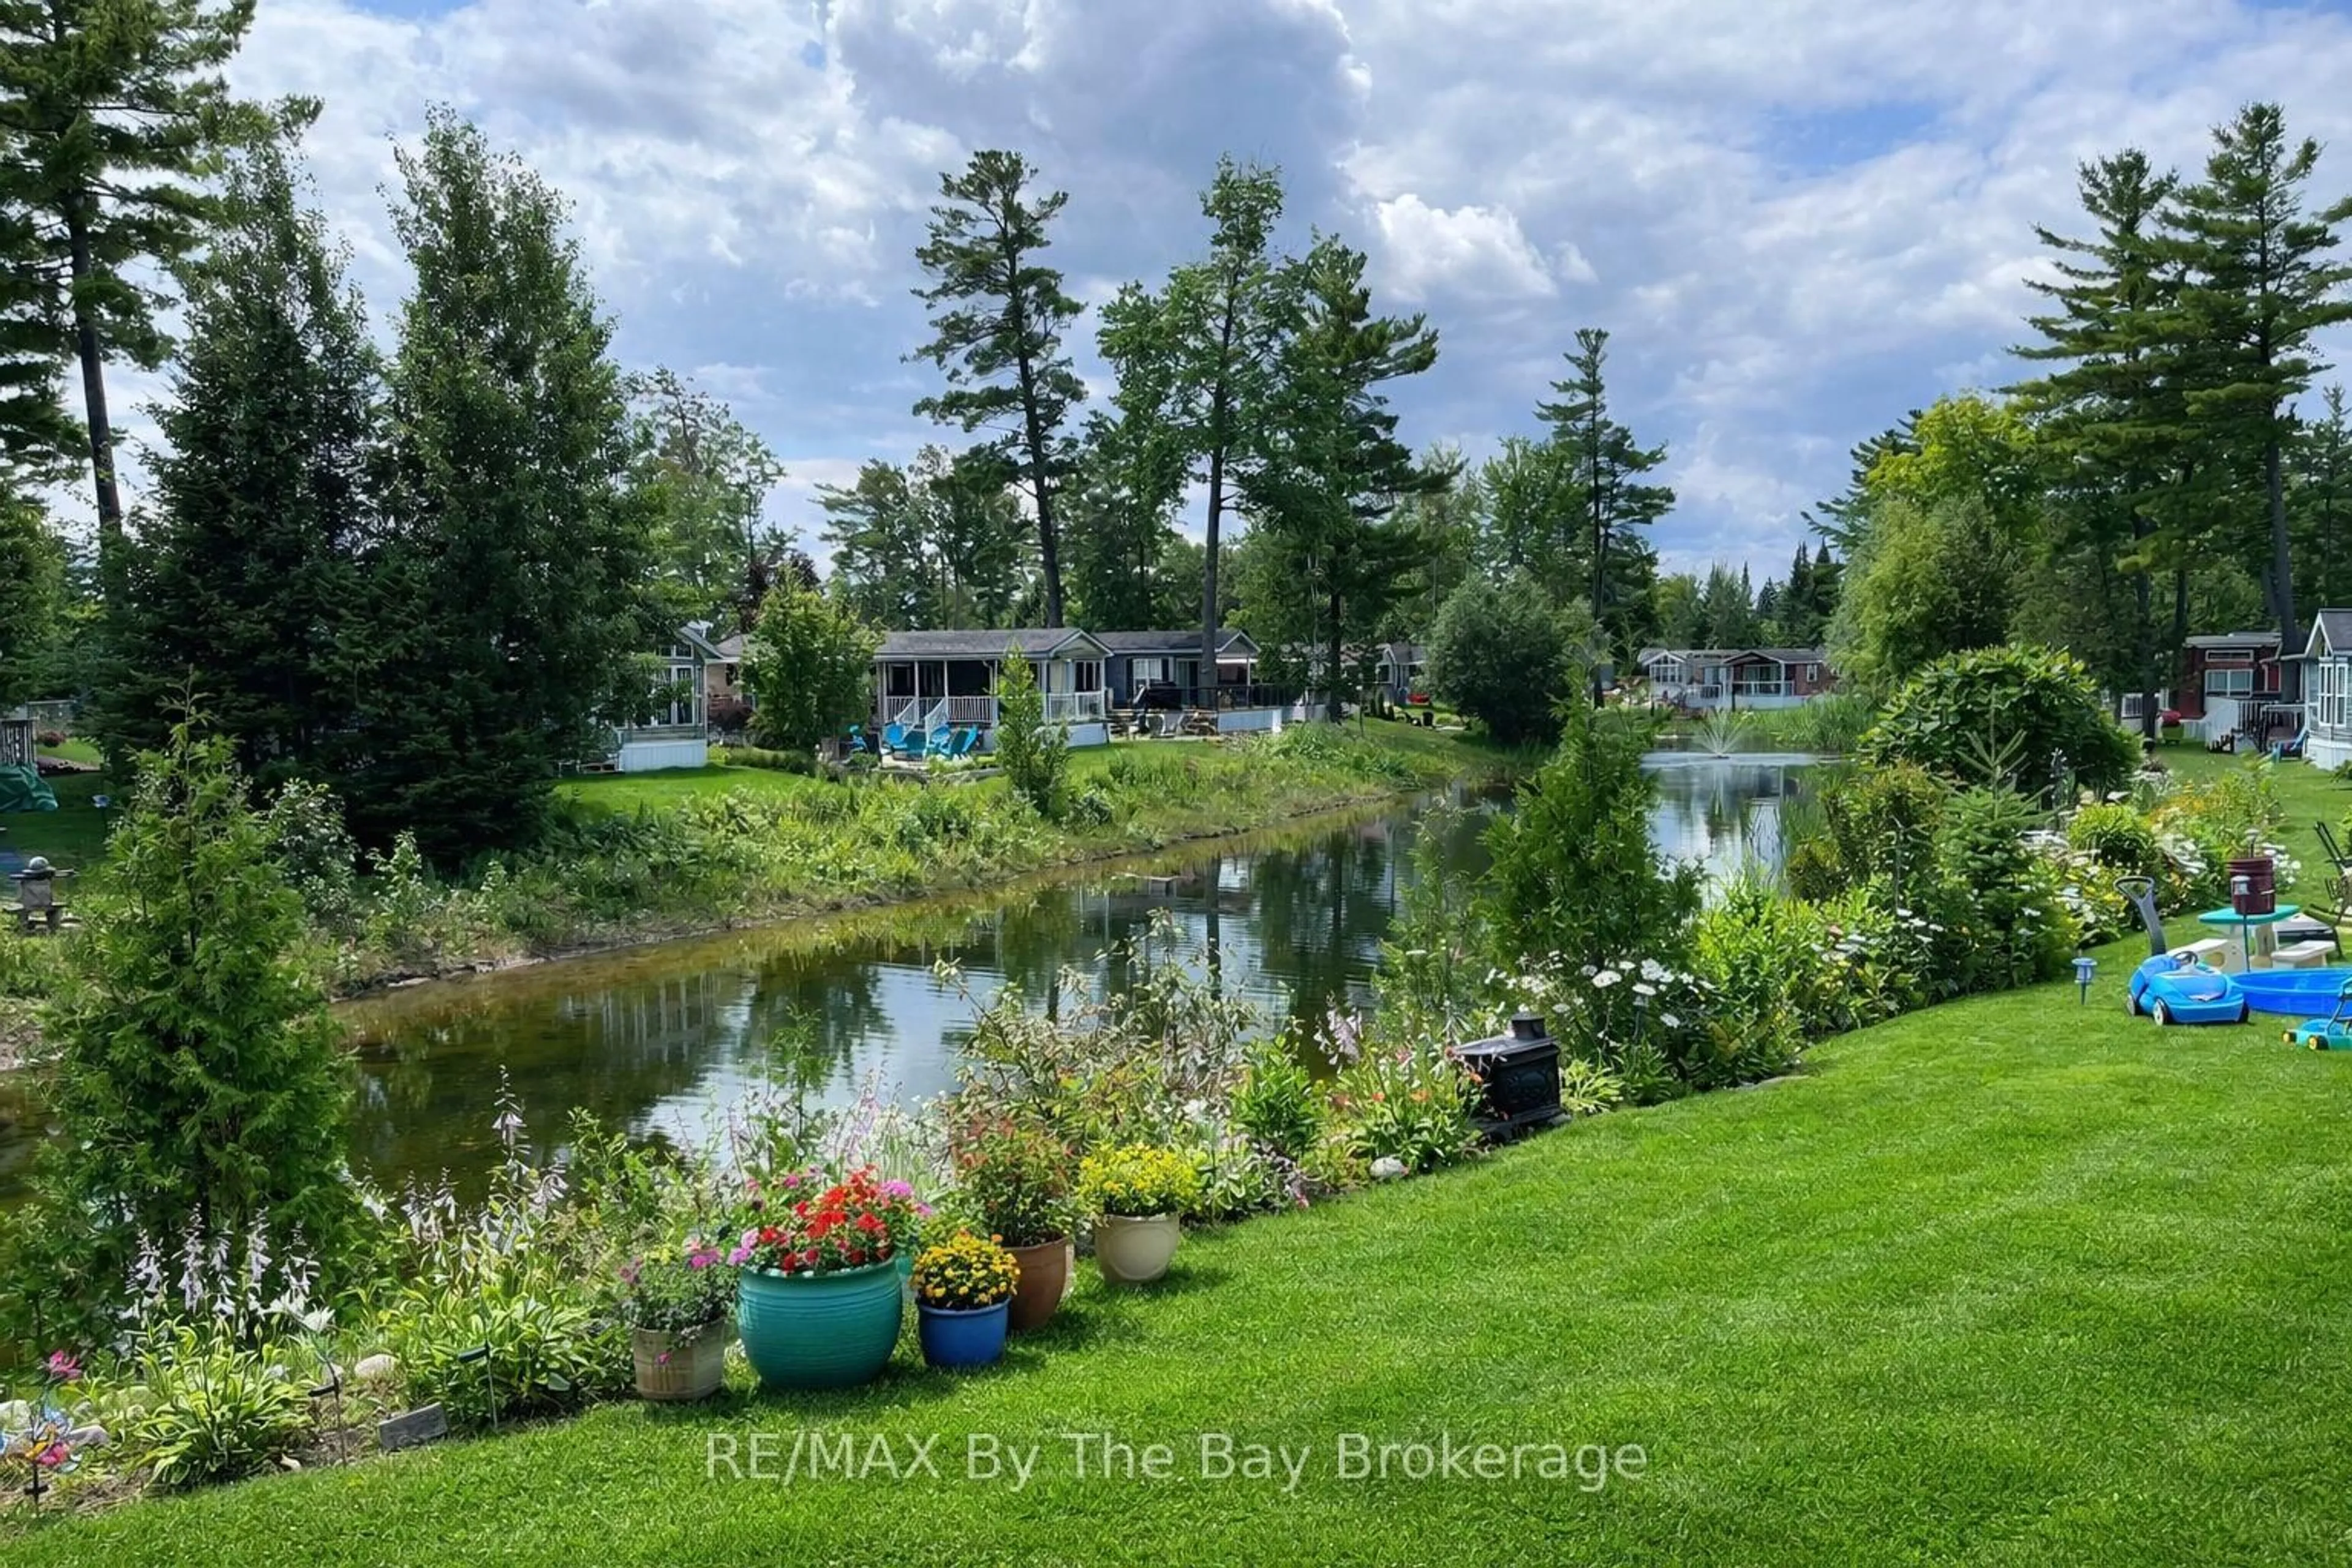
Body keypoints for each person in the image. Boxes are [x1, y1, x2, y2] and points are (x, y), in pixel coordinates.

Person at [10, 854, 72, 933]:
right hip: (46, 904)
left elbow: (13, 878)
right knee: (54, 910)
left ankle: (23, 927)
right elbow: (59, 874)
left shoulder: (25, 879)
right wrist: (69, 873)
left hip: (28, 905)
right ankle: (53, 928)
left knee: (21, 907)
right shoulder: (48, 878)